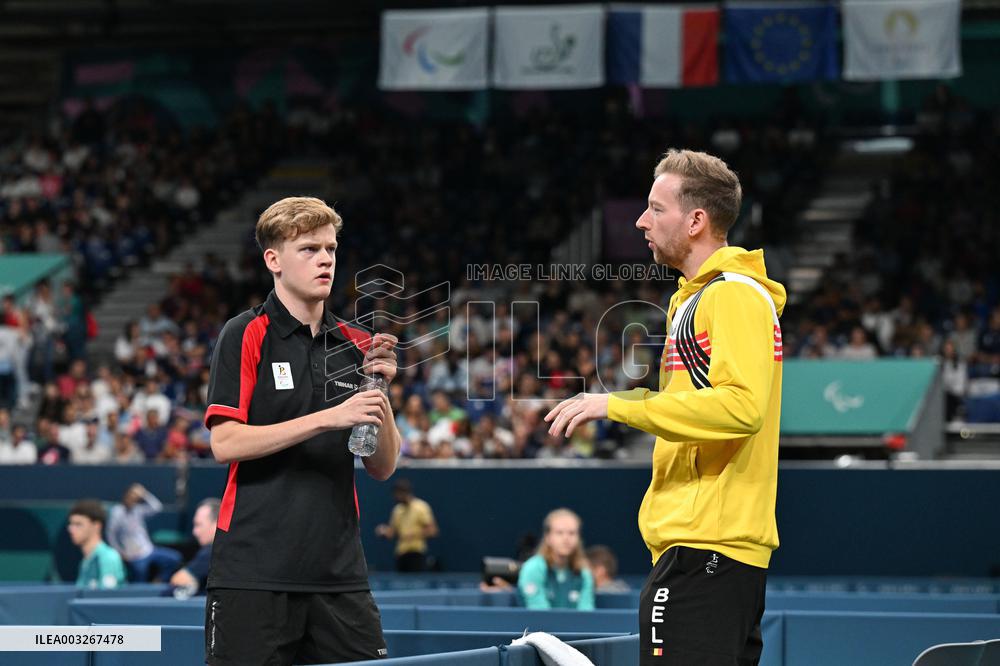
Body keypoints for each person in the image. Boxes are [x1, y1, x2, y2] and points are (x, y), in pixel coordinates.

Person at [546, 149, 785, 665]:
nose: (640, 220)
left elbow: (743, 409)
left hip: (706, 549)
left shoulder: (733, 296)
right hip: (706, 548)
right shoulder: (691, 299)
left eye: (656, 208)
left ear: (696, 220)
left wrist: (620, 406)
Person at [202, 197, 401, 665]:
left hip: (339, 574)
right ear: (273, 260)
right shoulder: (246, 332)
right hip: (253, 571)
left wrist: (381, 394)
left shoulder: (356, 345)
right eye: (309, 249)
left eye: (331, 248)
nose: (326, 259)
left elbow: (383, 466)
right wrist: (328, 417)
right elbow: (224, 442)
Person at [517, 508, 595, 611]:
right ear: (548, 537)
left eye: (572, 533)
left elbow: (587, 612)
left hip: (574, 626)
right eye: (559, 533)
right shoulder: (533, 568)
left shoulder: (584, 573)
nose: (566, 538)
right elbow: (540, 613)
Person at [107, 483, 182, 582]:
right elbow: (111, 534)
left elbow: (157, 507)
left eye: (135, 496)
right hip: (133, 556)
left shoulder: (138, 509)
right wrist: (119, 552)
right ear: (126, 495)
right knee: (140, 580)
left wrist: (144, 494)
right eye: (131, 495)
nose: (132, 498)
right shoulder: (118, 511)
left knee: (175, 558)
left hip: (149, 550)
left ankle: (158, 582)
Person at [375, 479, 438, 572]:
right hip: (401, 554)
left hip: (416, 554)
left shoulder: (421, 507)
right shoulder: (397, 510)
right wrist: (384, 532)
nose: (395, 497)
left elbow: (433, 530)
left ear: (405, 493)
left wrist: (413, 535)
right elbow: (392, 532)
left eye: (397, 494)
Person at [67, 499, 127, 589]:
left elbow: (106, 598)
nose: (71, 529)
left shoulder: (109, 558)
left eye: (78, 524)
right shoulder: (86, 561)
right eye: (71, 524)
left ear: (96, 526)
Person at [169, 498, 219, 596]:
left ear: (216, 523)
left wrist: (192, 583)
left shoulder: (211, 552)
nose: (194, 532)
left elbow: (178, 579)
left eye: (199, 525)